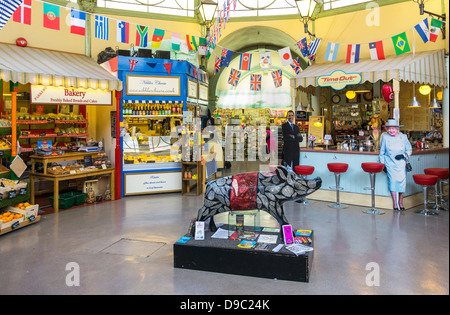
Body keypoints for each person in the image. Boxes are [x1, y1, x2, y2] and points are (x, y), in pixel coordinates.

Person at [379, 119, 412, 211]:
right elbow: (382, 153)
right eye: (389, 129)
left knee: (402, 184)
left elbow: (409, 150)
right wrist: (383, 165)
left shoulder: (403, 137)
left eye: (393, 128)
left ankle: (401, 202)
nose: (391, 130)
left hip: (401, 164)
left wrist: (403, 155)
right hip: (389, 163)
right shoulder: (385, 137)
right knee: (392, 183)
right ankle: (395, 203)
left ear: (397, 129)